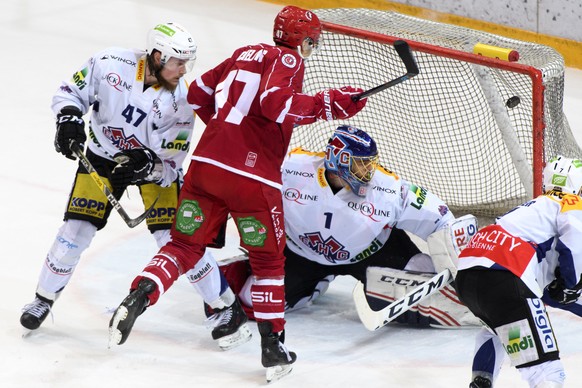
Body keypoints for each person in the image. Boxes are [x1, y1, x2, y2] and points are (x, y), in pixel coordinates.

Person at [108, 5, 367, 383]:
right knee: (267, 262)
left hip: (207, 164)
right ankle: (273, 347)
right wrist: (328, 104)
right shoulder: (290, 60)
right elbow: (273, 104)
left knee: (182, 247)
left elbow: (196, 94)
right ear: (304, 40)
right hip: (253, 179)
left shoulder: (242, 53)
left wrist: (225, 134)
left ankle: (137, 297)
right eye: (312, 41)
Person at [20, 22, 222, 332]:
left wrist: (149, 166)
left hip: (150, 168)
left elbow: (172, 163)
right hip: (102, 158)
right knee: (75, 230)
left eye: (187, 62)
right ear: (157, 55)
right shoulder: (109, 63)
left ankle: (223, 306)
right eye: (178, 62)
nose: (184, 70)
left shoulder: (181, 101)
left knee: (177, 240)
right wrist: (69, 119)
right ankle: (43, 299)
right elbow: (70, 92)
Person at [215, 125, 478, 328]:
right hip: (301, 253)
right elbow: (242, 179)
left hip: (374, 251)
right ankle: (306, 279)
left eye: (370, 164)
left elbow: (443, 221)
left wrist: (460, 268)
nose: (369, 171)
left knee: (426, 276)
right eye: (361, 164)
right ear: (338, 160)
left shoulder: (389, 189)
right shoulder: (292, 168)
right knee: (251, 301)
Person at [455, 155, 582, 387]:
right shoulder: (570, 203)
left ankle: (481, 380)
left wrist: (567, 287)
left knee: (498, 328)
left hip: (468, 276)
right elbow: (575, 247)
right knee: (548, 374)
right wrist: (570, 285)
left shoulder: (525, 212)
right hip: (506, 276)